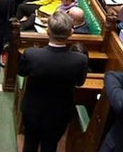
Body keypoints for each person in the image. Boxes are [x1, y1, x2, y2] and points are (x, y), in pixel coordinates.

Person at [18, 11, 88, 151]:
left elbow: (21, 72)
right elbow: (79, 82)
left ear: (47, 31)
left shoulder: (32, 55)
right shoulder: (80, 60)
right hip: (60, 113)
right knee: (50, 147)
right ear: (71, 32)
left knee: (30, 145)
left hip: (33, 111)